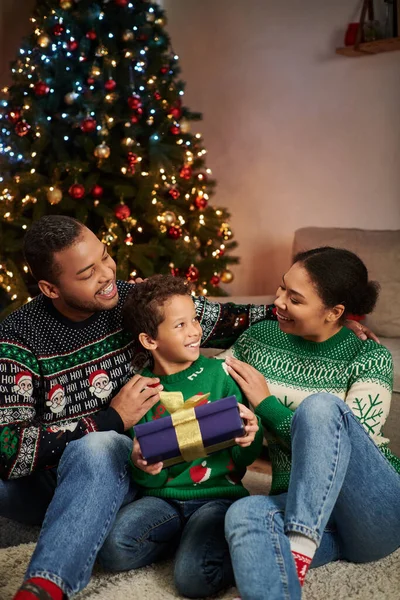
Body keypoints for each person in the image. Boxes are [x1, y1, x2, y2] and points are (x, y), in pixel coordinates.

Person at [1, 215, 275, 600]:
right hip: (60, 475)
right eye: (87, 272)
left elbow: (228, 320)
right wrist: (111, 418)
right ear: (50, 287)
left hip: (133, 465)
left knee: (99, 447)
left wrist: (312, 314)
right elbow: (7, 449)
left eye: (106, 256)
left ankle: (47, 584)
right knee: (76, 453)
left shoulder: (131, 300)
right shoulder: (18, 337)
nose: (107, 273)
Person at [223, 247, 400, 600]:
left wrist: (266, 404)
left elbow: (341, 450)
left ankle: (299, 543)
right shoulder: (259, 340)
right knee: (244, 512)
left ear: (334, 312)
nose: (278, 301)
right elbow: (212, 385)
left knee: (320, 408)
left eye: (295, 298)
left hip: (371, 513)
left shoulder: (369, 356)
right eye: (281, 288)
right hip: (297, 502)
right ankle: (292, 565)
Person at [97, 274, 263, 598]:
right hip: (164, 501)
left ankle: (220, 542)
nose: (195, 331)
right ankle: (185, 540)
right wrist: (140, 464)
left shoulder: (220, 376)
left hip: (217, 498)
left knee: (193, 580)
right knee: (112, 549)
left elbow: (242, 460)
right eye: (180, 325)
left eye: (195, 320)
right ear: (149, 341)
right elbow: (145, 475)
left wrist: (250, 436)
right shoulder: (140, 392)